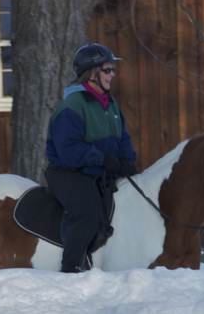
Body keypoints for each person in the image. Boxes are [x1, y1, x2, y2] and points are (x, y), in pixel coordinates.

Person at [45, 43, 138, 273]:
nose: (112, 74)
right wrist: (103, 159)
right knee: (88, 212)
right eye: (108, 70)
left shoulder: (111, 105)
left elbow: (123, 138)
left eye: (112, 70)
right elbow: (69, 151)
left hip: (97, 172)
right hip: (68, 173)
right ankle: (70, 268)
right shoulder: (73, 106)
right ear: (92, 74)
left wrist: (127, 160)